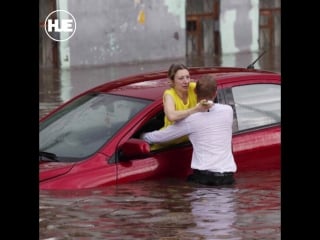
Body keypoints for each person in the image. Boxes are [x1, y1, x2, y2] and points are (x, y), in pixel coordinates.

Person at [141, 75, 237, 186]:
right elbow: (211, 108)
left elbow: (161, 137)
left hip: (204, 178)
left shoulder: (191, 120)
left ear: (195, 93)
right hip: (228, 178)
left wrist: (143, 136)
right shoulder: (228, 111)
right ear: (215, 93)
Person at [151, 63, 211, 150]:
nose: (186, 81)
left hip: (188, 144)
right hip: (167, 145)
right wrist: (195, 109)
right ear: (172, 81)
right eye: (181, 78)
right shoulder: (169, 94)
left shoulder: (193, 88)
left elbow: (211, 90)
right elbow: (171, 116)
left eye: (187, 77)